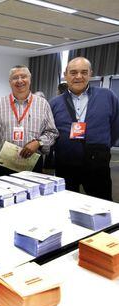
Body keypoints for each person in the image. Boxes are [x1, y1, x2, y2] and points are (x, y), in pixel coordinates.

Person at [50, 57, 119, 201]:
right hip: (65, 162)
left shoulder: (107, 96)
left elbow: (115, 126)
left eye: (84, 72)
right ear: (66, 74)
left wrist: (102, 144)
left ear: (90, 74)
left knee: (102, 205)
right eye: (73, 72)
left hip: (97, 162)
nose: (78, 77)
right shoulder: (55, 103)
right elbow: (51, 131)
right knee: (65, 204)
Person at [0, 65, 58, 177]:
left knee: (33, 194)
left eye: (23, 76)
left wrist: (38, 142)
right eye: (15, 77)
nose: (20, 80)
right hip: (4, 163)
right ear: (10, 82)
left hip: (32, 163)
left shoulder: (43, 104)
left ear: (30, 79)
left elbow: (52, 133)